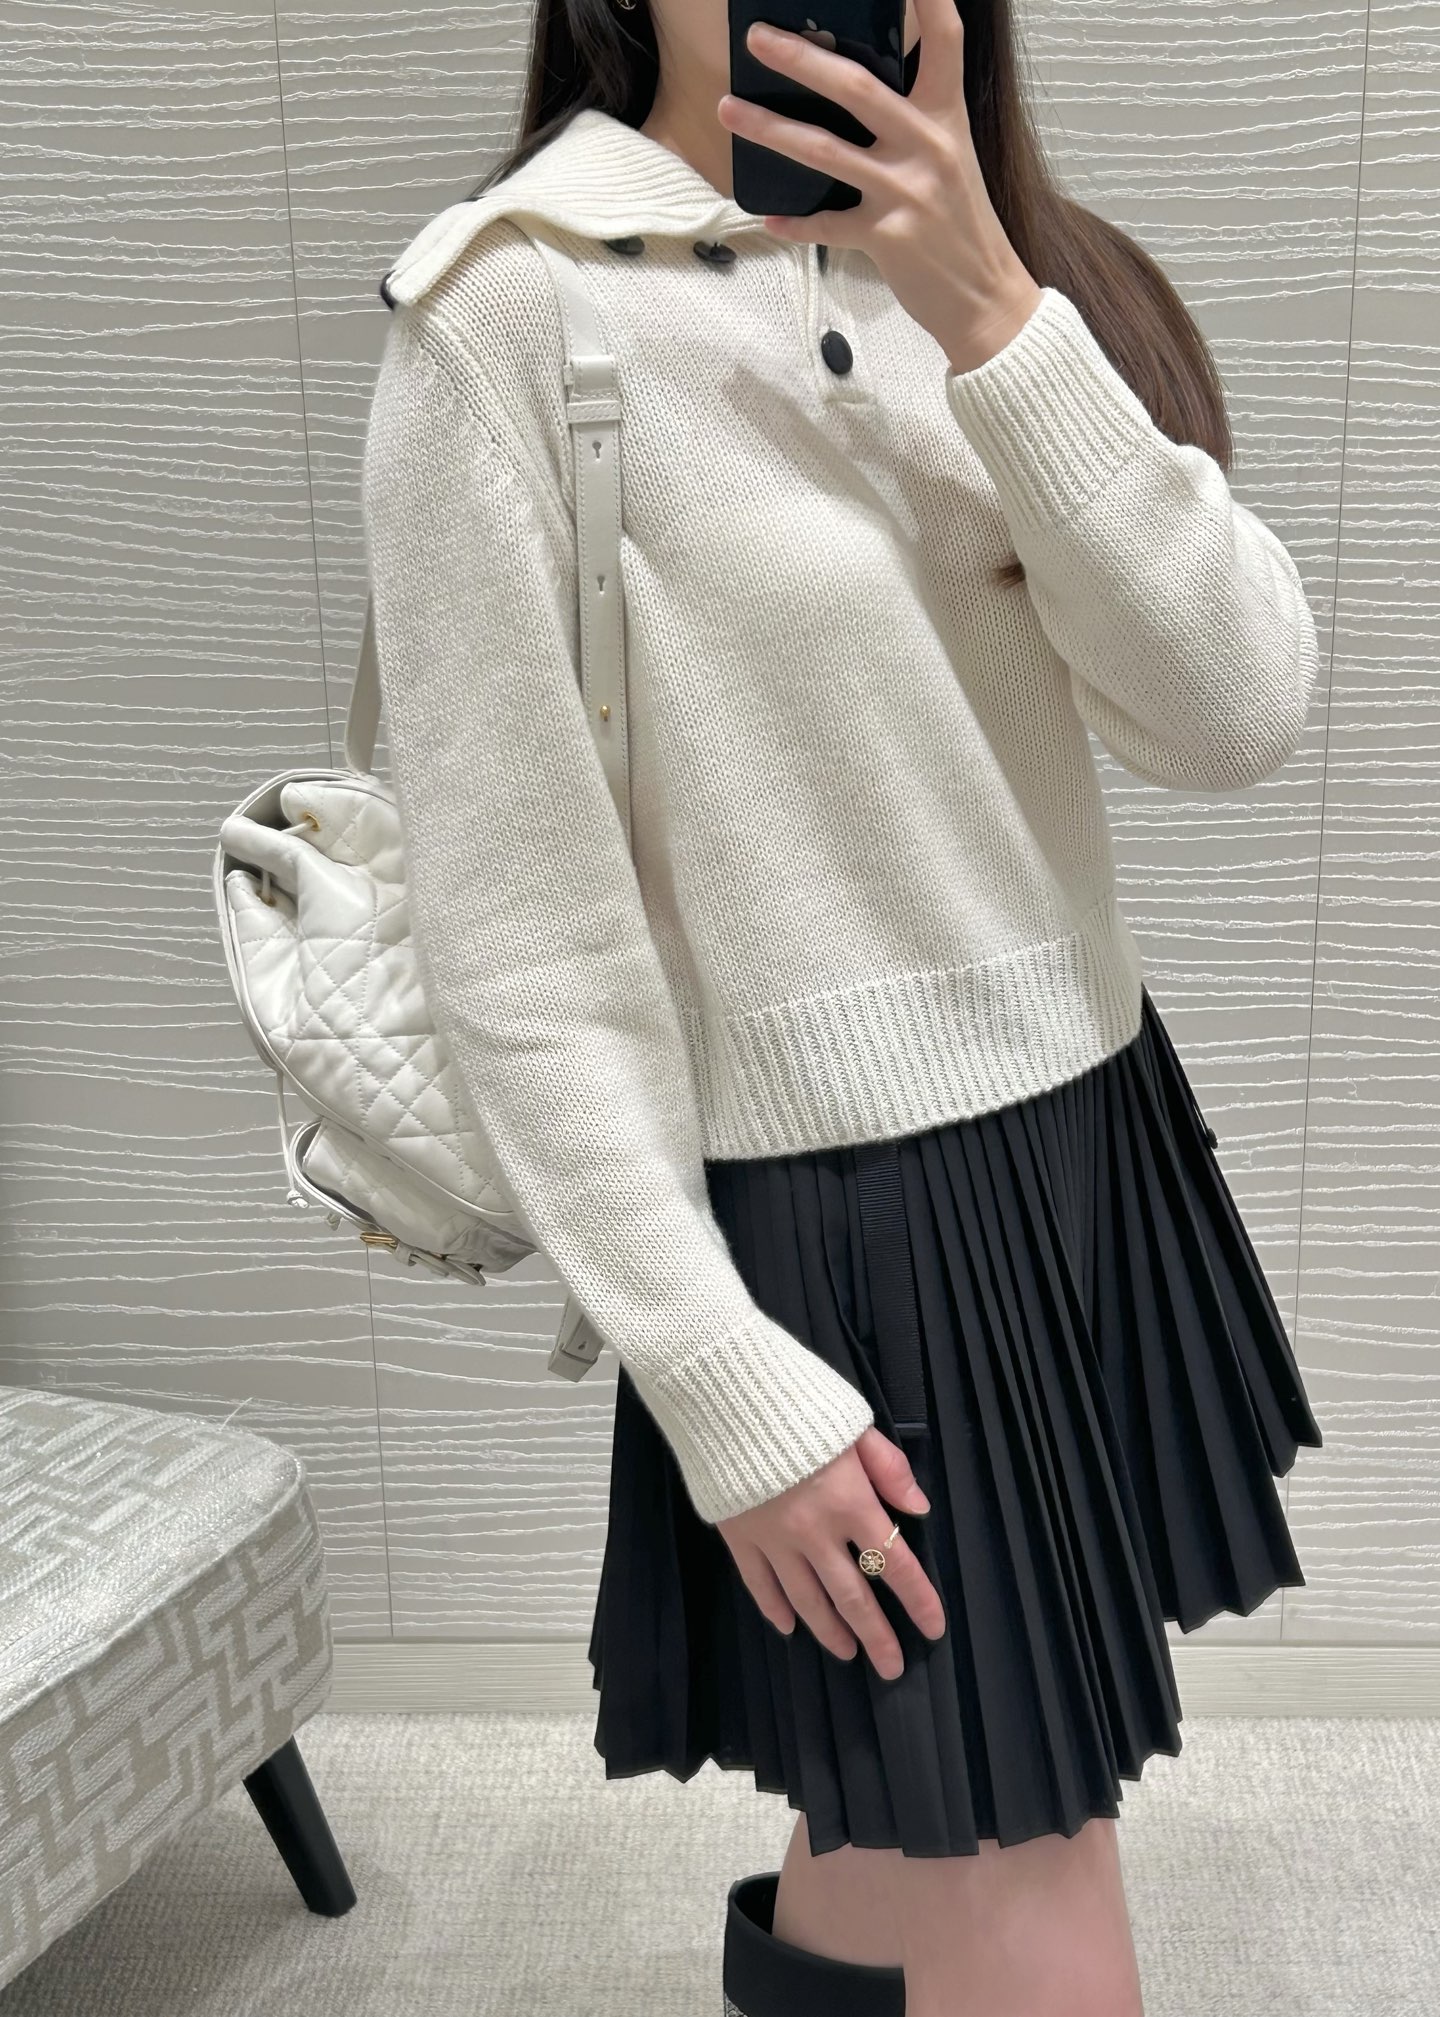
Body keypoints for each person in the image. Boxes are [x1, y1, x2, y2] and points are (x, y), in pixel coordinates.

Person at [361, 1, 1324, 2011]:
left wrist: (991, 312)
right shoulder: (507, 315)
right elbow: (523, 944)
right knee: (1018, 1872)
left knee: (932, 1821)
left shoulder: (1005, 275)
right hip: (840, 1230)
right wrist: (717, 1369)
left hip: (1089, 1137)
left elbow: (1236, 711)